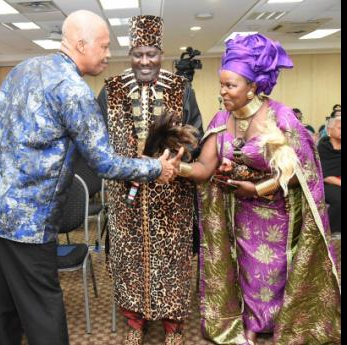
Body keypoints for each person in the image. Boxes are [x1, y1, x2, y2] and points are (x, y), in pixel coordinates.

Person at [0, 10, 182, 345]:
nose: (110, 54)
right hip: (26, 224)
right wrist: (159, 168)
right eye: (105, 46)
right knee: (42, 312)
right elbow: (104, 163)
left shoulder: (25, 67)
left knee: (2, 308)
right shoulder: (74, 91)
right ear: (81, 44)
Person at [175, 34, 341, 344]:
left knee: (276, 272)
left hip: (278, 216)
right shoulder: (222, 119)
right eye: (221, 84)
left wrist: (257, 188)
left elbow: (299, 172)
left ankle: (279, 323)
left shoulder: (281, 117)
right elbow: (204, 169)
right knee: (247, 272)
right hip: (239, 216)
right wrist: (174, 168)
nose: (222, 91)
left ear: (252, 86)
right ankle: (251, 323)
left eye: (230, 85)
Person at [97, 15, 203, 345]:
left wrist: (176, 156)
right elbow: (97, 141)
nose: (145, 61)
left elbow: (194, 132)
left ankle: (173, 325)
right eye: (138, 54)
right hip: (124, 197)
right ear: (130, 54)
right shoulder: (111, 90)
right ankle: (135, 321)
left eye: (151, 53)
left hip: (171, 196)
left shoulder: (180, 88)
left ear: (161, 52)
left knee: (173, 260)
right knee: (129, 259)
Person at [317, 116, 341, 234]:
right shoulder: (322, 148)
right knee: (339, 199)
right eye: (340, 128)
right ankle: (331, 232)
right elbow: (324, 174)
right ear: (330, 130)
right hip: (326, 183)